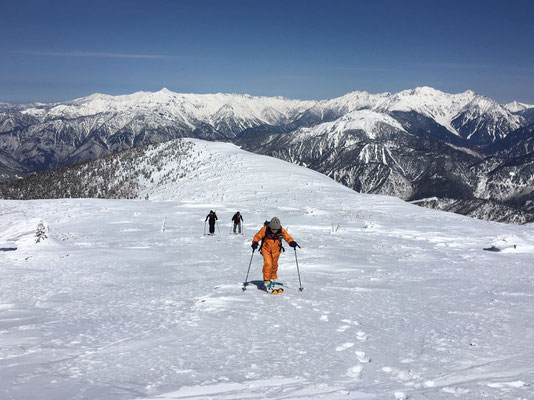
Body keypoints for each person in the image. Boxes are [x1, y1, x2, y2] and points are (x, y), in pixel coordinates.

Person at [251, 217, 299, 293]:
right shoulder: (265, 229)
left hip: (276, 250)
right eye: (273, 229)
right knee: (268, 264)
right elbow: (257, 236)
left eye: (276, 229)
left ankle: (272, 279)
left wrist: (291, 242)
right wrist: (255, 242)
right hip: (266, 249)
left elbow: (287, 236)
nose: (274, 231)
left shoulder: (281, 229)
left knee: (274, 265)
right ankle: (267, 281)